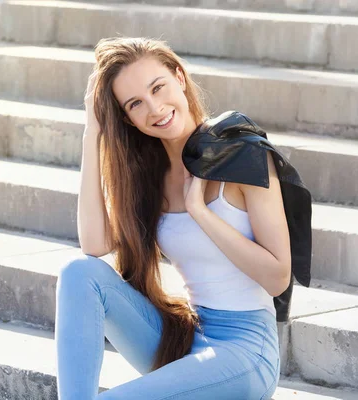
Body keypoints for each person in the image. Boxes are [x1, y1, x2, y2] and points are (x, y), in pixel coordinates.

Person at [55, 37, 289, 399]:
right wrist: (93, 132)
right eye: (136, 103)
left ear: (179, 77)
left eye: (157, 87)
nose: (154, 108)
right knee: (78, 272)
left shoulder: (241, 153)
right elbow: (93, 244)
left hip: (245, 353)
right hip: (187, 339)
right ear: (127, 118)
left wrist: (200, 212)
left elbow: (277, 277)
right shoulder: (151, 175)